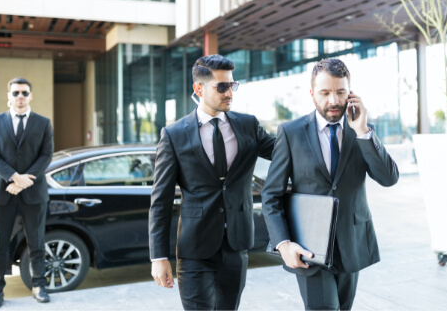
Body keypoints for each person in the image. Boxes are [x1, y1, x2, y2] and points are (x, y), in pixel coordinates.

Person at [262, 58, 399, 310]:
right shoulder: (291, 133)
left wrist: (363, 132)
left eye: (340, 92)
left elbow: (388, 178)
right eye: (325, 93)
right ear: (312, 93)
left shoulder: (363, 132)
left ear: (351, 92)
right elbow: (271, 195)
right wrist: (283, 244)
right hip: (309, 247)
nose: (333, 101)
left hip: (352, 243)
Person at [149, 54, 275, 310]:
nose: (230, 92)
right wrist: (158, 257)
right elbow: (160, 201)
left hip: (236, 246)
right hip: (195, 250)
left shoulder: (248, 125)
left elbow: (284, 151)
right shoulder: (174, 135)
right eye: (222, 87)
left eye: (232, 85)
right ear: (199, 88)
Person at [0, 78, 54, 309]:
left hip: (33, 192)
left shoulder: (43, 123)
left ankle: (39, 285)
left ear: (30, 96)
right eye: (15, 92)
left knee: (36, 241)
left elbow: (46, 156)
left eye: (24, 93)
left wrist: (24, 181)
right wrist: (14, 177)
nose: (20, 96)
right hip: (3, 191)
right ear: (8, 95)